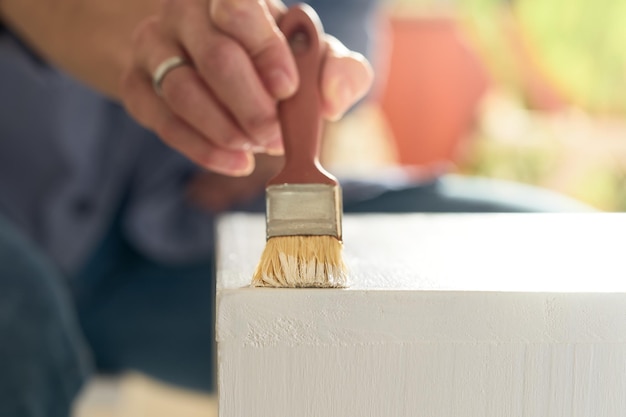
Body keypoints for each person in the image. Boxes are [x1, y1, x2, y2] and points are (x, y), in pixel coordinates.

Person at [0, 0, 592, 415]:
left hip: (191, 243)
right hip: (16, 216)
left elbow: (330, 28)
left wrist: (279, 126)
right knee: (20, 321)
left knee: (581, 275)